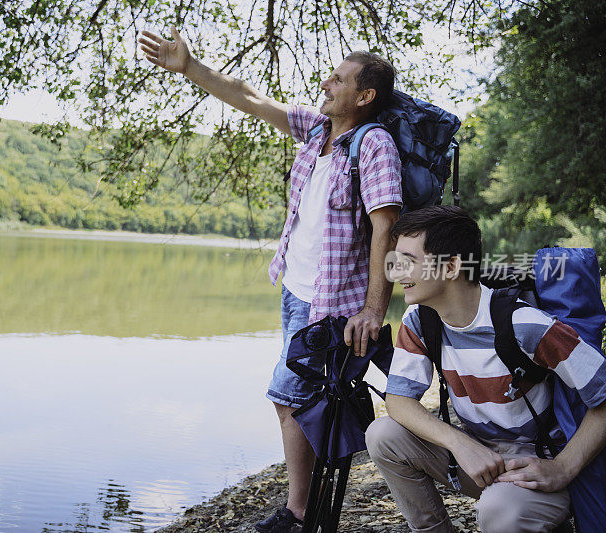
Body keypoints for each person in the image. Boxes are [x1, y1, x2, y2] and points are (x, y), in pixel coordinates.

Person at [139, 28, 402, 532]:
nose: (326, 83)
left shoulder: (374, 146)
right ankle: (308, 509)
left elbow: (386, 227)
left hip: (333, 303)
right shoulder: (316, 132)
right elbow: (250, 97)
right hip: (295, 293)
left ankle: (300, 512)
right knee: (303, 400)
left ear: (364, 96)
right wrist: (190, 67)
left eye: (339, 79)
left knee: (288, 396)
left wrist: (373, 309)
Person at [366, 205, 606, 532]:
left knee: (496, 511)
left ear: (450, 267)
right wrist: (461, 443)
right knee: (383, 434)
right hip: (480, 459)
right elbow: (398, 400)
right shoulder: (421, 320)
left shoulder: (524, 325)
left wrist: (562, 468)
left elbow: (604, 397)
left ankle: (541, 515)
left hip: (535, 468)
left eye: (408, 261)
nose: (395, 271)